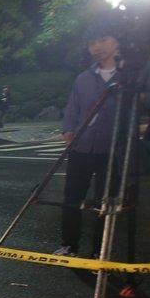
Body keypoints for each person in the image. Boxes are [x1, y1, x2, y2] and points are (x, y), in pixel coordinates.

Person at [54, 19, 124, 257]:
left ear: (117, 42)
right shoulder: (83, 78)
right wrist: (68, 131)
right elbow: (72, 108)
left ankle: (99, 251)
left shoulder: (129, 77)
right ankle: (69, 245)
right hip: (81, 147)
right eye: (92, 42)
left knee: (105, 202)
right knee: (72, 198)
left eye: (103, 40)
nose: (97, 47)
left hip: (112, 149)